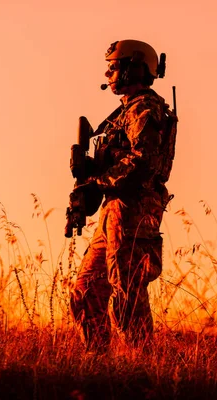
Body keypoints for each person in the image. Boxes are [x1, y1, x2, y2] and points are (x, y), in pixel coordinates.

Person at [69, 39, 177, 352]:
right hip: (113, 209)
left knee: (128, 292)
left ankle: (141, 367)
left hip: (134, 208)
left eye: (114, 67)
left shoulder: (144, 108)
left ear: (134, 67)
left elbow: (144, 161)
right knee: (86, 291)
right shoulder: (125, 112)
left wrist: (99, 182)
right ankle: (99, 366)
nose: (108, 73)